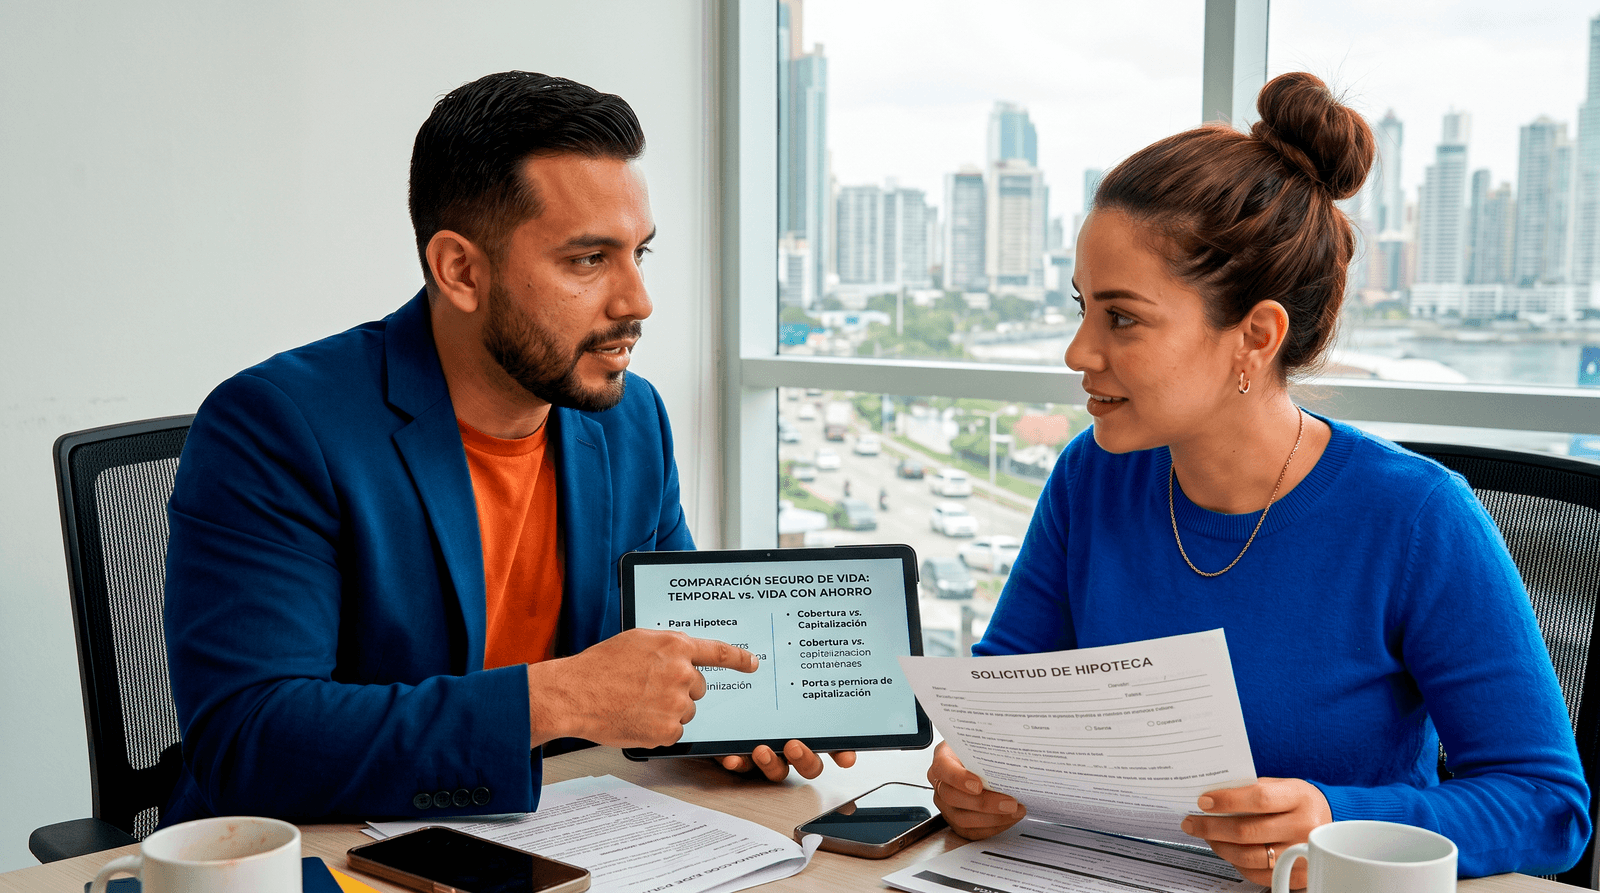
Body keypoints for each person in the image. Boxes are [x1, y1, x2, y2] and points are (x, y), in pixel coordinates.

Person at [926, 72, 1590, 885]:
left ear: (1256, 335)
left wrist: (1338, 821)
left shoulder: (1417, 518)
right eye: (1082, 307)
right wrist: (973, 775)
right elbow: (999, 710)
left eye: (1122, 317)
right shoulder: (1090, 476)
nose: (1078, 351)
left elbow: (1548, 804)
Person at [162, 71, 848, 826]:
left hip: (572, 836)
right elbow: (250, 743)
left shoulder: (632, 420)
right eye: (588, 259)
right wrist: (556, 699)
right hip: (329, 854)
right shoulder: (275, 426)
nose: (637, 301)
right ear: (461, 270)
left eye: (639, 254)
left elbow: (668, 654)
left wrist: (736, 719)